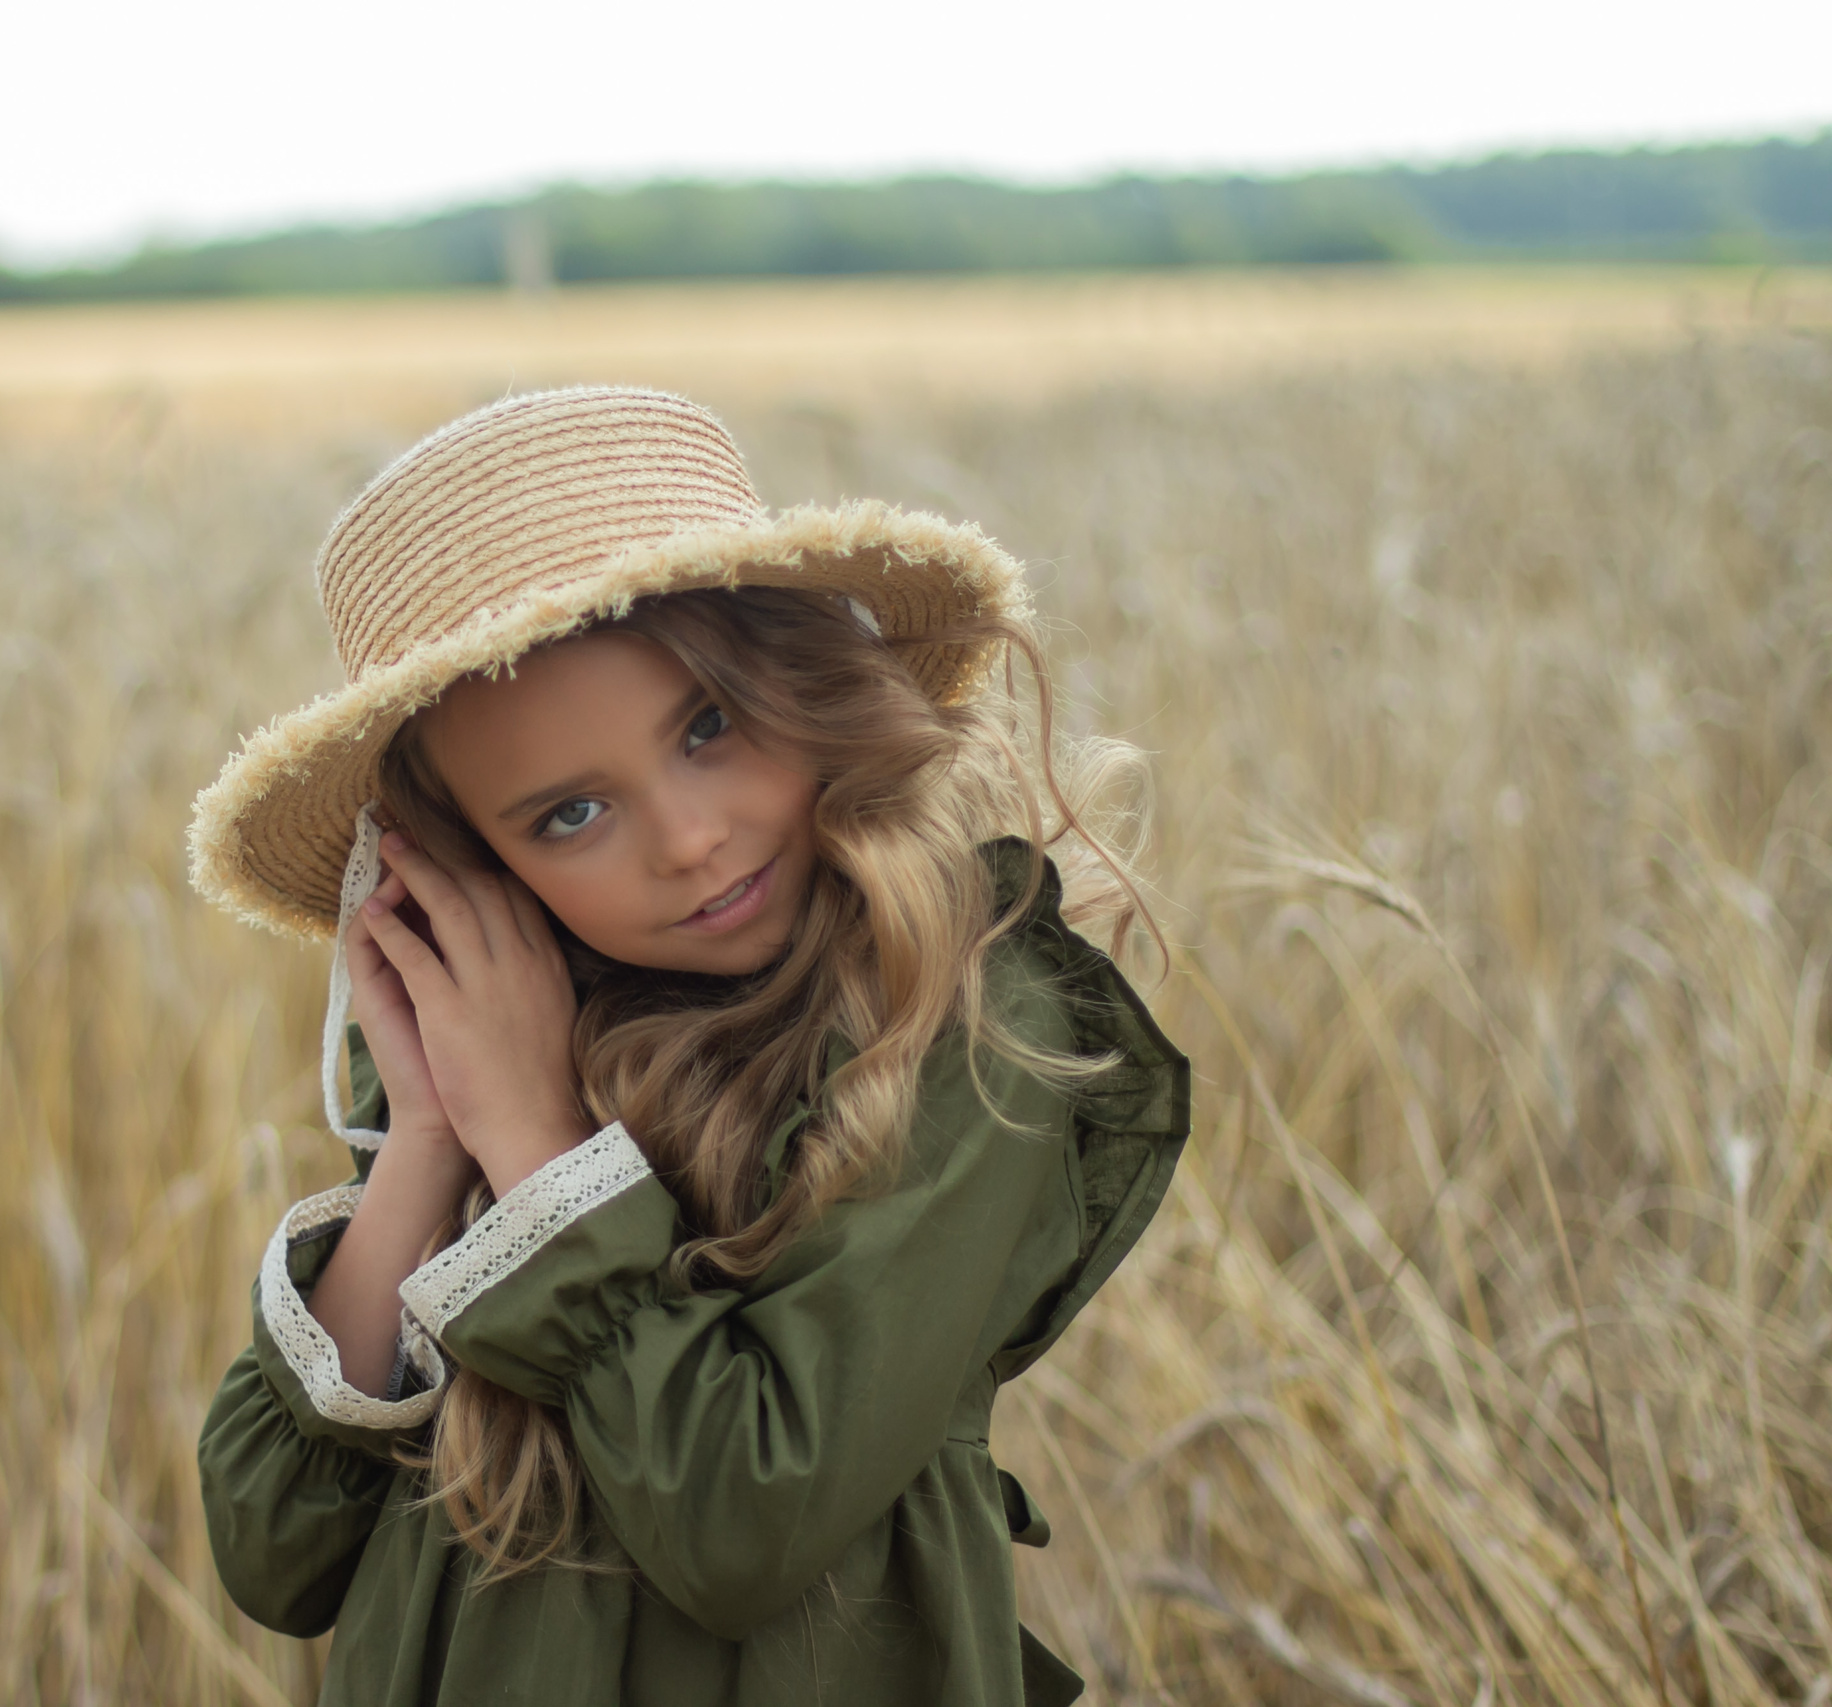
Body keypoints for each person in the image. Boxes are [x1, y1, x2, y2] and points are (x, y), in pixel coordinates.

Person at [187, 387, 1190, 1706]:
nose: (689, 839)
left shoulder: (954, 1019)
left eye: (708, 727)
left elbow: (742, 1522)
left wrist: (540, 1154)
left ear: (806, 681)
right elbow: (275, 1551)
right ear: (468, 867)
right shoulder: (512, 1049)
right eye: (571, 814)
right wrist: (432, 1136)